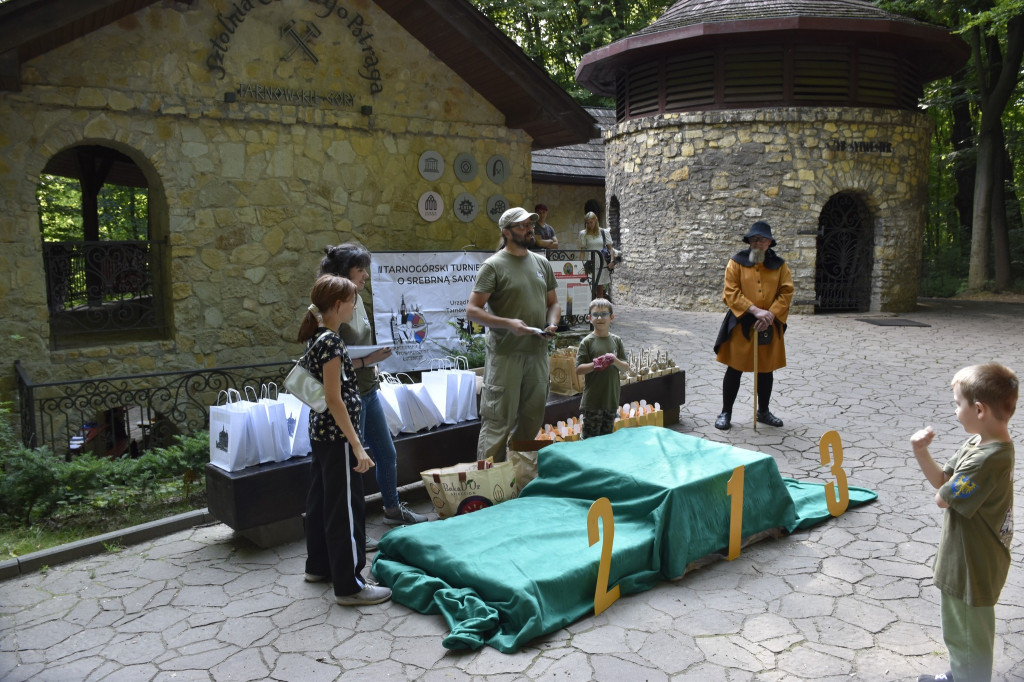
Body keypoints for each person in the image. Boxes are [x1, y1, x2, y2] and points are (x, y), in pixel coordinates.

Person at [910, 363, 1017, 682]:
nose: (956, 411)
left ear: (980, 409)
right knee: (960, 632)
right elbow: (943, 480)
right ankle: (960, 674)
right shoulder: (979, 443)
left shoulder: (988, 458)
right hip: (965, 556)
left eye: (958, 404)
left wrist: (943, 484)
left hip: (974, 563)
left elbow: (942, 497)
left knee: (971, 634)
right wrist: (921, 452)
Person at [319, 244, 428, 528]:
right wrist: (368, 359)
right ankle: (354, 530)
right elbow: (329, 363)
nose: (366, 275)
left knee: (386, 453)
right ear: (344, 273)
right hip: (348, 396)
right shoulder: (330, 307)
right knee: (356, 463)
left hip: (368, 390)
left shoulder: (355, 297)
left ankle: (392, 509)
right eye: (360, 270)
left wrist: (373, 358)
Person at [298, 274, 391, 606]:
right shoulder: (332, 341)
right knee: (346, 510)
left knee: (323, 502)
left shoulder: (318, 337)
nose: (355, 305)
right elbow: (334, 398)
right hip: (338, 437)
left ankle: (319, 566)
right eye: (352, 300)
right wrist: (355, 444)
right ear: (338, 305)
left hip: (322, 434)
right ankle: (350, 585)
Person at [467, 206, 560, 462]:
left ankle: (520, 479)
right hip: (505, 356)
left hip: (537, 354)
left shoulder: (541, 262)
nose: (529, 229)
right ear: (506, 232)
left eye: (530, 224)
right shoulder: (493, 266)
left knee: (532, 418)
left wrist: (552, 324)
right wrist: (509, 323)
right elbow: (472, 311)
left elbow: (553, 303)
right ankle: (489, 489)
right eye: (522, 226)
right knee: (498, 421)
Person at [712, 220, 793, 430]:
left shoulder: (780, 266)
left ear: (769, 243)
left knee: (766, 370)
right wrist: (755, 311)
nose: (757, 243)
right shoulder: (736, 263)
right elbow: (730, 292)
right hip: (741, 323)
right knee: (734, 368)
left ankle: (763, 411)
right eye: (754, 239)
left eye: (762, 240)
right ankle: (725, 412)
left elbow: (786, 292)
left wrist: (770, 315)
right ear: (749, 241)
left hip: (769, 324)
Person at [574, 298, 628, 439]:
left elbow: (625, 367)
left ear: (611, 317)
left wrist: (614, 360)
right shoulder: (587, 342)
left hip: (611, 399)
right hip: (593, 401)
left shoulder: (617, 341)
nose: (600, 318)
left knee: (607, 439)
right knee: (590, 439)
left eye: (604, 314)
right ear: (589, 318)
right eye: (595, 314)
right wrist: (595, 365)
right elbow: (578, 369)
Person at [578, 211, 615, 300]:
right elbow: (582, 251)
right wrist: (580, 264)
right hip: (589, 263)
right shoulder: (583, 234)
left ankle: (599, 309)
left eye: (591, 222)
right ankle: (589, 309)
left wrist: (612, 261)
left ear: (596, 220)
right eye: (587, 223)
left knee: (600, 290)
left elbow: (611, 248)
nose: (590, 225)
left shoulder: (604, 232)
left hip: (601, 263)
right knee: (588, 288)